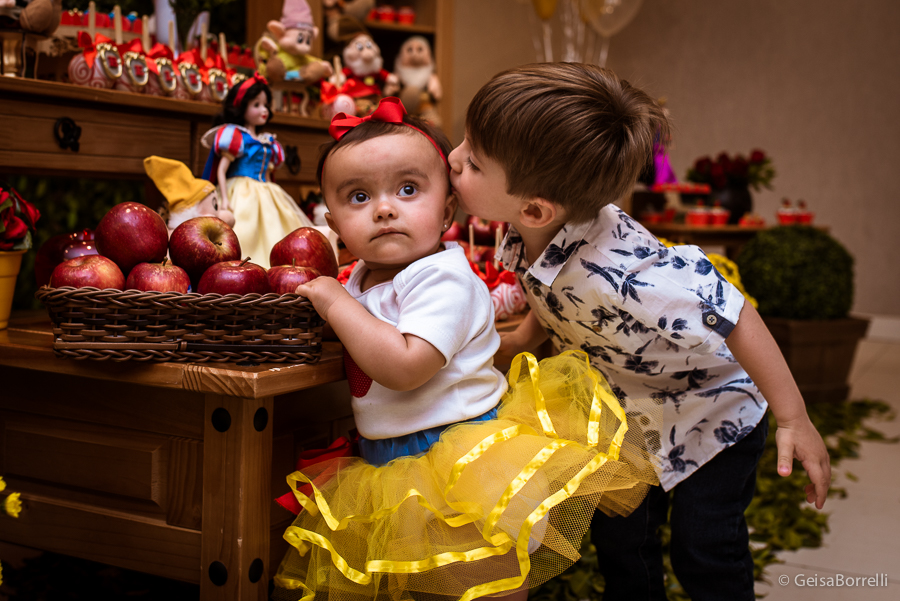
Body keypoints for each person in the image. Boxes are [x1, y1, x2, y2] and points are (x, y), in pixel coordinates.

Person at [447, 62, 832, 601]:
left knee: (703, 548)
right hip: (630, 413)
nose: (453, 159)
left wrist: (795, 418)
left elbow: (735, 312)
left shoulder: (630, 274)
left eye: (473, 161)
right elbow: (547, 288)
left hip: (711, 412)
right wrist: (522, 337)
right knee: (622, 538)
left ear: (535, 207)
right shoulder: (528, 227)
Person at [271, 97, 660, 601]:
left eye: (408, 189)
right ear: (333, 223)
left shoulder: (442, 279)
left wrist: (332, 301)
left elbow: (406, 366)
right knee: (416, 582)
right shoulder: (361, 279)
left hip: (460, 462)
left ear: (447, 209)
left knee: (481, 580)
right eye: (359, 197)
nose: (385, 207)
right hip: (388, 463)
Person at [202, 73, 314, 268]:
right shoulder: (235, 136)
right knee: (244, 230)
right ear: (241, 107)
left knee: (275, 227)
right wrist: (225, 200)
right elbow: (221, 170)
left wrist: (274, 194)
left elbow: (269, 174)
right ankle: (242, 266)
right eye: (256, 105)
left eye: (265, 105)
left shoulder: (269, 142)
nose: (263, 110)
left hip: (266, 189)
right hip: (239, 190)